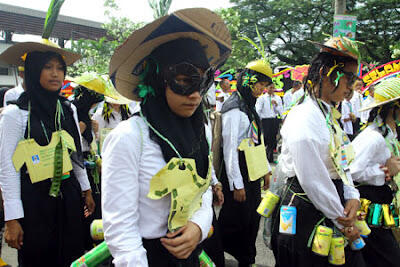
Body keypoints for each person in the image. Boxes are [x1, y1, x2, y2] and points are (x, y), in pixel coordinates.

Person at [101, 8, 231, 266]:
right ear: (159, 80)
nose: (195, 95)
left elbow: (202, 190)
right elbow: (119, 226)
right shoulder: (128, 137)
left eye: (202, 83)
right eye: (184, 80)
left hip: (192, 252)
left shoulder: (200, 129)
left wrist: (199, 226)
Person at [271, 36, 365, 267]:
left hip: (333, 203)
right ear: (325, 73)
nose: (351, 88)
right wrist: (344, 221)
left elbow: (342, 160)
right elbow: (314, 181)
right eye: (349, 78)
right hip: (307, 209)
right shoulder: (304, 118)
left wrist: (352, 195)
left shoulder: (329, 115)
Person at [0, 41, 94, 266]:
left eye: (60, 68)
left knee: (71, 254)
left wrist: (86, 189)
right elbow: (8, 168)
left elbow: (75, 154)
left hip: (68, 195)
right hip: (35, 200)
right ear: (33, 71)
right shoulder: (16, 114)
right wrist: (12, 218)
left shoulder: (67, 108)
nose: (55, 74)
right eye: (48, 67)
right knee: (39, 256)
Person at [218, 58, 273, 267]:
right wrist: (236, 185)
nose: (262, 89)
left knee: (251, 218)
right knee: (236, 219)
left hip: (251, 170)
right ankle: (221, 252)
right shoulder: (234, 108)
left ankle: (246, 257)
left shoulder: (249, 106)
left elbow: (257, 141)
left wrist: (266, 171)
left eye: (265, 85)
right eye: (260, 84)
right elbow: (230, 150)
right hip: (239, 172)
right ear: (249, 81)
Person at [349, 77, 400, 267]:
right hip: (369, 205)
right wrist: (384, 172)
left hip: (384, 202)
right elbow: (351, 171)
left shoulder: (390, 134)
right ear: (393, 108)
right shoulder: (373, 137)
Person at [256, 83, 283, 162]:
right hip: (265, 120)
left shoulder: (277, 98)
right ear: (266, 88)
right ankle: (264, 155)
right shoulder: (262, 98)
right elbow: (258, 110)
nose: (272, 90)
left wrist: (276, 105)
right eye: (270, 88)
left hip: (274, 119)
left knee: (273, 138)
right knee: (266, 138)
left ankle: (270, 157)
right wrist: (258, 120)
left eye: (273, 88)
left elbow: (280, 110)